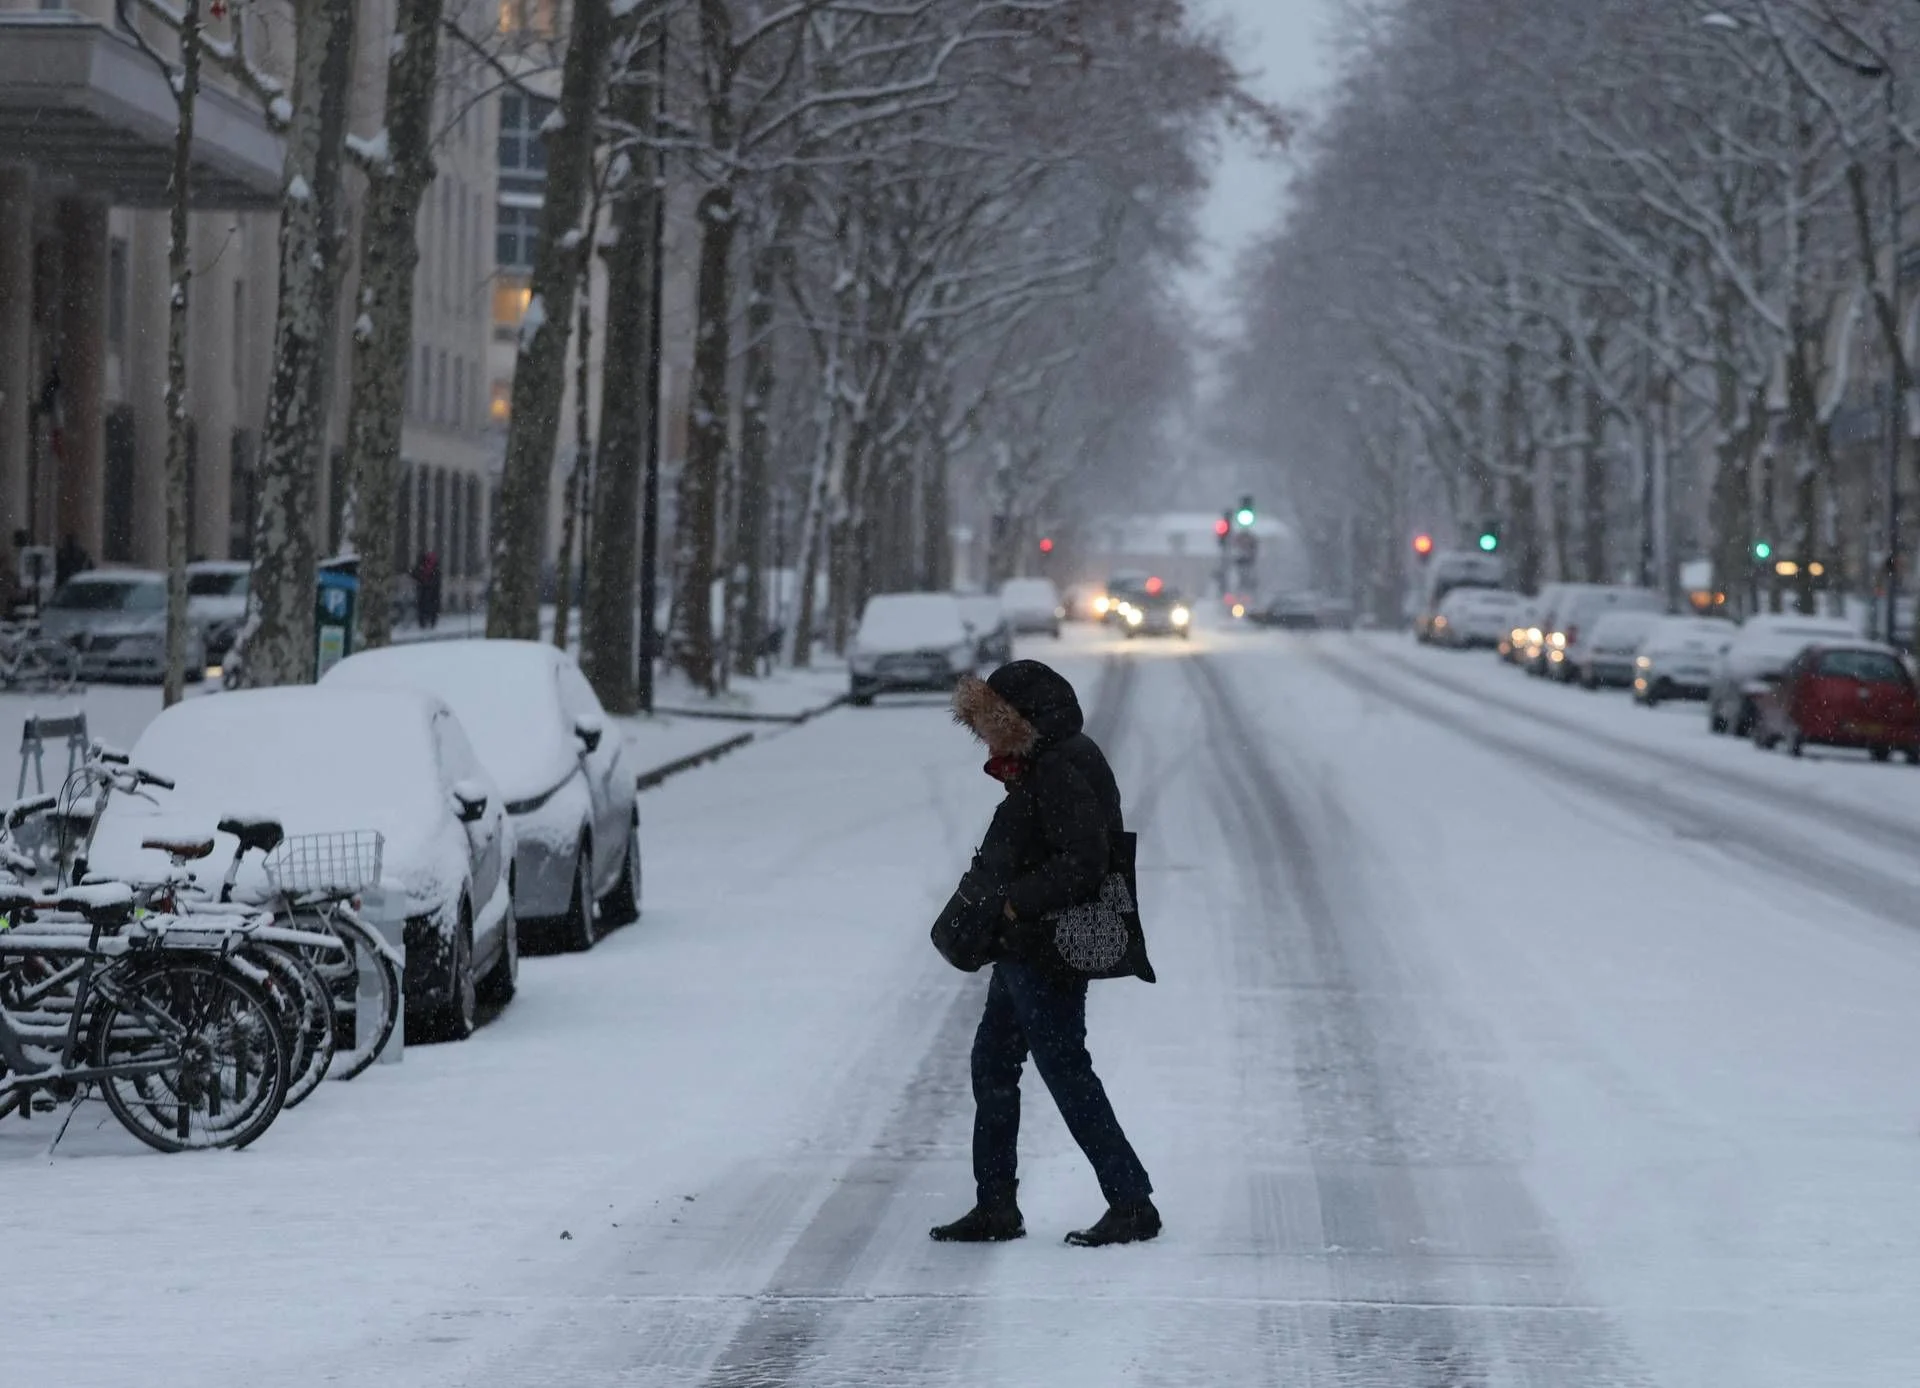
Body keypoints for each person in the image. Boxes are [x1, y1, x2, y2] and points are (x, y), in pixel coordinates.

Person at [932, 660, 1159, 1248]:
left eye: (988, 721)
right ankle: (996, 1206)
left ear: (1018, 719)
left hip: (1045, 947)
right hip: (1024, 949)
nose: (981, 735)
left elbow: (1084, 860)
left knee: (1065, 1071)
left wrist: (1012, 904)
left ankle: (1131, 1202)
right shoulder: (1045, 762)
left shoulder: (1059, 767)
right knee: (995, 1065)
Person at [411, 550, 442, 630]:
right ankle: (428, 623)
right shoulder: (433, 567)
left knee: (425, 607)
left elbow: (415, 574)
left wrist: (424, 582)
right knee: (428, 607)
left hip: (426, 590)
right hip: (428, 591)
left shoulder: (426, 566)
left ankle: (426, 623)